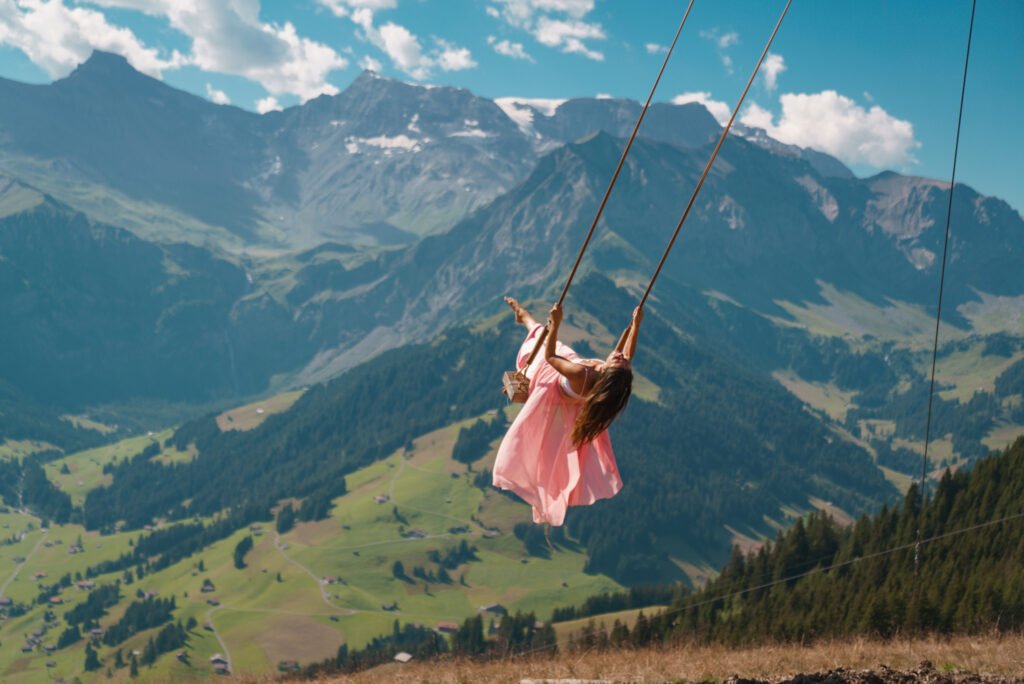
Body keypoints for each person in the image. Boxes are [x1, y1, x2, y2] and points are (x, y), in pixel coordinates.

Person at [492, 297, 642, 526]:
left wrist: (557, 323)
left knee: (539, 342)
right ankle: (522, 315)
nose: (620, 356)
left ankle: (524, 320)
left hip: (549, 378)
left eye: (618, 361)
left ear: (606, 375)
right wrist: (636, 325)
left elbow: (551, 357)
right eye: (621, 360)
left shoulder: (584, 375)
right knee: (538, 331)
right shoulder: (614, 376)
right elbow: (628, 356)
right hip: (568, 366)